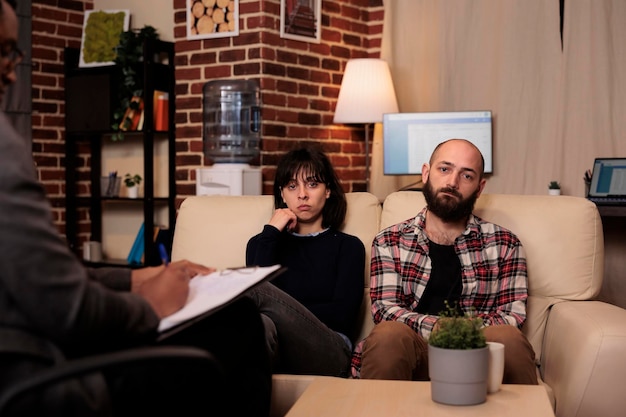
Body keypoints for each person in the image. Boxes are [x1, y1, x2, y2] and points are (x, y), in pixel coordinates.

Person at [0, 1, 271, 415]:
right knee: (237, 321)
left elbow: (42, 276)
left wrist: (136, 277)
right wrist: (150, 304)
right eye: (3, 51)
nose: (12, 69)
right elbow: (69, 310)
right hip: (40, 381)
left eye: (13, 52)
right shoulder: (3, 150)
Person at [351, 138, 538, 384]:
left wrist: (462, 332)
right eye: (444, 169)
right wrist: (439, 328)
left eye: (467, 176)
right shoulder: (389, 240)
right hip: (413, 351)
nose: (452, 182)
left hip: (478, 352)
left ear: (479, 188)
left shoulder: (505, 244)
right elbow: (385, 310)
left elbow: (512, 315)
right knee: (388, 334)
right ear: (426, 173)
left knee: (508, 337)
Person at [246, 145, 365, 377]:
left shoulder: (348, 247)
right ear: (282, 194)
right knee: (259, 322)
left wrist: (283, 310)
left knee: (255, 287)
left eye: (312, 184)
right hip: (276, 347)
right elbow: (251, 310)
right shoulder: (261, 244)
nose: (302, 194)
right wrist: (270, 233)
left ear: (327, 190)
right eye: (292, 186)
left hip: (329, 349)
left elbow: (342, 314)